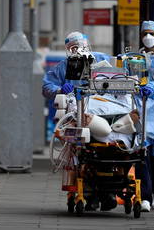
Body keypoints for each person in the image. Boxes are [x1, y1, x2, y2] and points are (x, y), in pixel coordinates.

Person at [42, 31, 116, 211]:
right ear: (68, 50)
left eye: (80, 46)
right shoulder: (64, 66)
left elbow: (120, 75)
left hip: (104, 113)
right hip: (77, 117)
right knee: (82, 155)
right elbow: (46, 86)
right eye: (72, 48)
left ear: (87, 44)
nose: (77, 50)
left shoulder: (101, 60)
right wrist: (60, 89)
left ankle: (107, 193)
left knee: (109, 151)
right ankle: (91, 195)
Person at [135, 21, 154, 212]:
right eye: (145, 33)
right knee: (141, 153)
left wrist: (152, 87)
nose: (148, 37)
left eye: (151, 33)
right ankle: (144, 195)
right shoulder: (135, 56)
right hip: (141, 105)